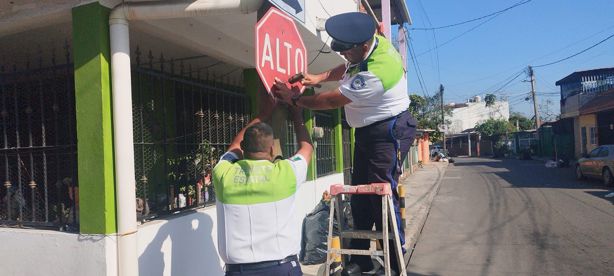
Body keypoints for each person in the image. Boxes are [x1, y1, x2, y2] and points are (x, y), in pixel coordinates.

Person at [272, 12, 416, 275]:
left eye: (347, 51)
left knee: (381, 194)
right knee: (359, 193)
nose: (345, 55)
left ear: (363, 45)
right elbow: (347, 67)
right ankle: (361, 259)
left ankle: (396, 261)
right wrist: (317, 77)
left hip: (389, 131)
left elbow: (330, 101)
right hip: (366, 132)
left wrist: (295, 100)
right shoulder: (370, 45)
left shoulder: (378, 71)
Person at [212, 94, 313, 276]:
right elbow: (307, 149)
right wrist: (297, 116)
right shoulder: (287, 173)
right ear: (272, 150)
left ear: (244, 148)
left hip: (239, 271)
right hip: (283, 268)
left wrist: (263, 114)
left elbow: (234, 147)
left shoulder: (223, 174)